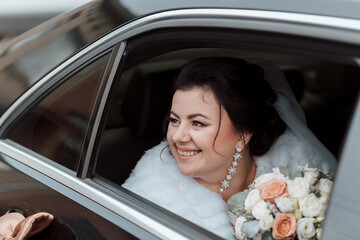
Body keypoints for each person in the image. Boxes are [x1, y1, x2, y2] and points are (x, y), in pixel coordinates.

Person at [122, 57, 336, 239]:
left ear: (243, 134)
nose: (176, 136)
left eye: (197, 123)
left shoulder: (302, 176)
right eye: (174, 120)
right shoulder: (149, 202)